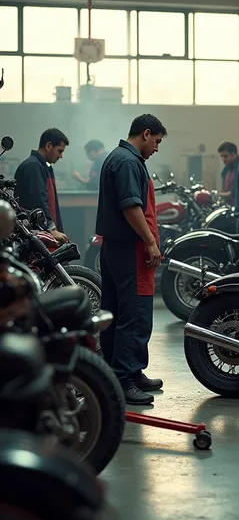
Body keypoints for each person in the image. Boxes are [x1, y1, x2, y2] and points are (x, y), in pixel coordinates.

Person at [96, 114, 167, 406]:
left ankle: (126, 371)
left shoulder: (119, 158)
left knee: (114, 312)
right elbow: (131, 207)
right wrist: (150, 242)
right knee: (134, 315)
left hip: (114, 248)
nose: (157, 149)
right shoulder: (127, 162)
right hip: (131, 249)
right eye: (157, 142)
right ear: (146, 134)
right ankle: (124, 379)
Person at [15, 128, 69, 245]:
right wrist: (51, 229)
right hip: (35, 234)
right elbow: (38, 201)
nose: (60, 156)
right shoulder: (33, 166)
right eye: (59, 151)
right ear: (49, 145)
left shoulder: (42, 166)